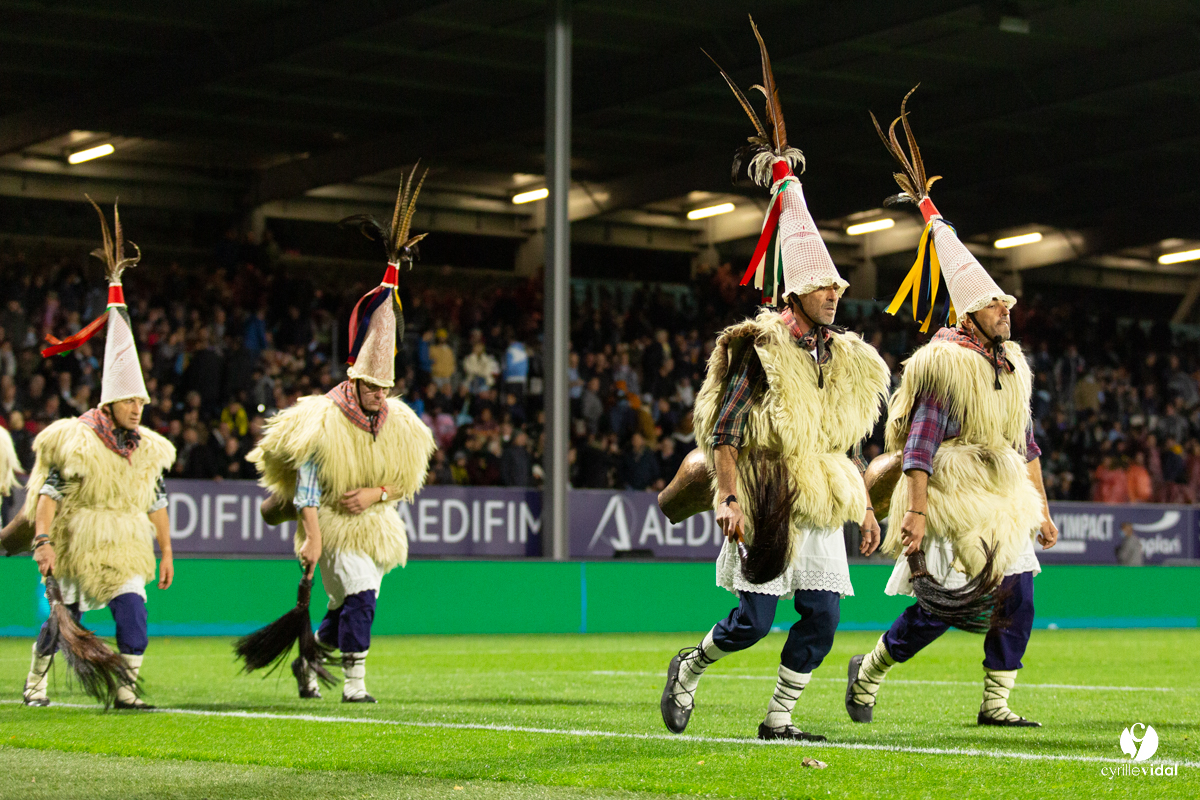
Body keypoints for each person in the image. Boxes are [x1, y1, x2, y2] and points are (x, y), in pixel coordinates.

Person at [660, 23, 889, 743]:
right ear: (794, 293)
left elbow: (836, 435)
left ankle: (780, 719)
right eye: (823, 286)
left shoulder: (846, 358)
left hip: (822, 490)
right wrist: (727, 495)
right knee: (754, 622)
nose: (835, 294)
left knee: (821, 615)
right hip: (761, 488)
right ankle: (691, 667)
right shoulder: (759, 347)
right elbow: (723, 429)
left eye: (838, 285)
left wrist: (863, 503)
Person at [845, 92, 1058, 728]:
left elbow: (1027, 444)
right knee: (944, 605)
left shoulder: (1013, 364)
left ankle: (997, 705)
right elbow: (918, 446)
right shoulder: (942, 363)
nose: (1008, 309)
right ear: (969, 313)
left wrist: (1040, 508)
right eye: (997, 305)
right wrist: (913, 512)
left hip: (1002, 493)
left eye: (1008, 302)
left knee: (1016, 593)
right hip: (950, 490)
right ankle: (873, 666)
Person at [251, 171, 436, 703]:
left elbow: (404, 482)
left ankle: (310, 661)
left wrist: (376, 494)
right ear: (355, 378)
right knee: (360, 600)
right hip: (332, 524)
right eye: (372, 385)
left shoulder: (401, 425)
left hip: (374, 524)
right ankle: (354, 685)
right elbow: (307, 485)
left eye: (386, 386)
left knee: (348, 605)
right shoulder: (323, 418)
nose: (380, 394)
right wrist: (311, 534)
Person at [22, 199, 176, 708]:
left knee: (135, 614)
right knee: (64, 618)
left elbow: (156, 499)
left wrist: (167, 550)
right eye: (131, 399)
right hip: (78, 535)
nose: (139, 406)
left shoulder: (148, 448)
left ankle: (127, 692)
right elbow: (50, 491)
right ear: (111, 402)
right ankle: (36, 682)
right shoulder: (79, 439)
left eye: (142, 399)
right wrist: (43, 539)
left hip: (125, 540)